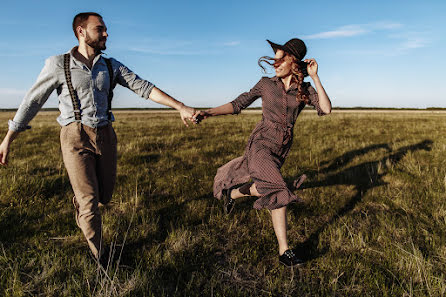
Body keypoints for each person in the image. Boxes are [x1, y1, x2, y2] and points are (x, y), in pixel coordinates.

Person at [0, 12, 196, 266]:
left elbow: (144, 87)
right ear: (81, 31)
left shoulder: (111, 65)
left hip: (105, 134)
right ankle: (102, 257)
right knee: (90, 202)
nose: (106, 34)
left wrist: (180, 106)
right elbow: (33, 101)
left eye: (105, 29)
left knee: (104, 196)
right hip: (74, 135)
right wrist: (8, 139)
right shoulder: (58, 64)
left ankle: (83, 204)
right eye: (100, 29)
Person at [193, 38, 331, 267]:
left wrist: (314, 77)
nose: (275, 63)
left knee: (267, 186)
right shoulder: (266, 84)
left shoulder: (304, 89)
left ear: (293, 61)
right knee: (278, 188)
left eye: (280, 58)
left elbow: (325, 109)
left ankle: (232, 194)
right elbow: (238, 104)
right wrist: (208, 113)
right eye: (274, 58)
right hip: (261, 143)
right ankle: (284, 250)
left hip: (281, 148)